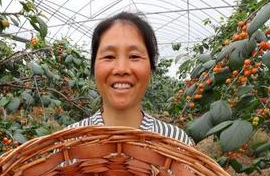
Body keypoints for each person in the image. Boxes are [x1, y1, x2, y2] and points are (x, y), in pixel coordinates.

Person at [67, 12, 194, 146]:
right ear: (93, 67)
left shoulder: (177, 143)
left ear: (151, 67)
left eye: (134, 56)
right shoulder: (68, 143)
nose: (121, 69)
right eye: (109, 56)